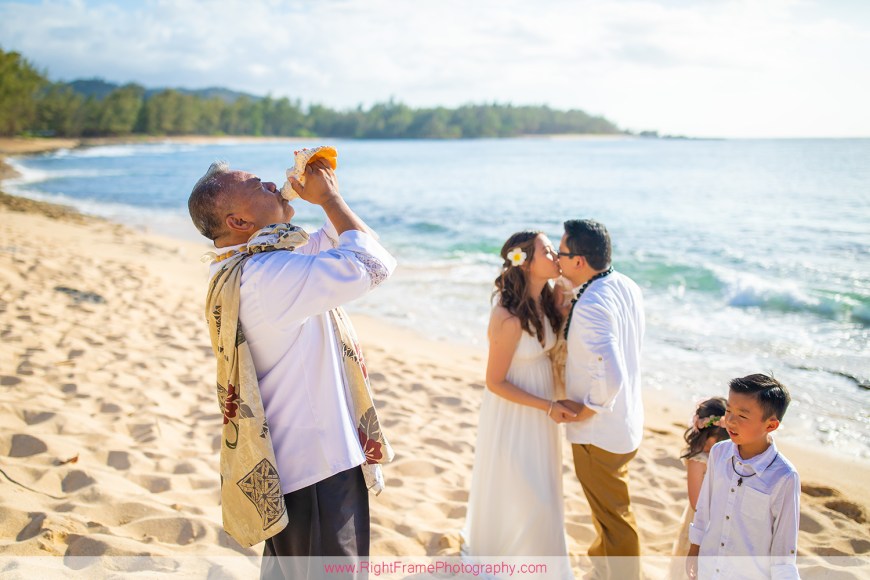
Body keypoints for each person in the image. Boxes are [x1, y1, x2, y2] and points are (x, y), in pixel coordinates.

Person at [188, 158, 397, 580]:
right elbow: (374, 264)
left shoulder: (251, 265)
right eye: (257, 185)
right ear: (239, 219)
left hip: (293, 463)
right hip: (318, 464)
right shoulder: (269, 274)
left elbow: (352, 240)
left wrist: (323, 205)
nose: (271, 182)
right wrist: (331, 199)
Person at [462, 231, 575, 577]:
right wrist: (546, 406)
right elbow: (494, 382)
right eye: (548, 250)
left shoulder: (548, 300)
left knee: (543, 488)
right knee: (526, 491)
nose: (556, 255)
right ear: (524, 262)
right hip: (516, 411)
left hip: (543, 408)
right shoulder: (507, 318)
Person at [556, 218, 645, 580]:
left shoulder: (592, 303)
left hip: (600, 433)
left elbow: (611, 374)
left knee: (615, 519)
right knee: (607, 512)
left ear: (579, 261)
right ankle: (601, 567)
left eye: (562, 254)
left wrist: (585, 410)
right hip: (627, 423)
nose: (558, 260)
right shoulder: (625, 284)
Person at [687, 374, 800, 580]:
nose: (730, 420)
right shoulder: (719, 453)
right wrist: (695, 549)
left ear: (771, 425)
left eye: (742, 416)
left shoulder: (784, 477)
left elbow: (784, 549)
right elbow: (704, 508)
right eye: (728, 410)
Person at [669, 397, 729, 578]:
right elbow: (696, 503)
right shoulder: (698, 460)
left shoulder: (725, 455)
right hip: (702, 520)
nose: (714, 449)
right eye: (711, 442)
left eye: (721, 442)